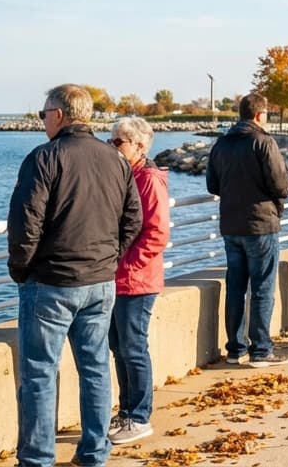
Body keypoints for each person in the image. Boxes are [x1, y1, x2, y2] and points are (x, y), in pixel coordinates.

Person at [7, 84, 142, 467]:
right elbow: (133, 218)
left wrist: (22, 268)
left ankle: (37, 459)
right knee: (96, 368)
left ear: (60, 115)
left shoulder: (45, 157)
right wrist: (110, 258)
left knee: (38, 375)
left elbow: (24, 222)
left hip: (51, 283)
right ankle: (95, 453)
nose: (41, 121)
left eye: (43, 114)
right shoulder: (114, 159)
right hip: (99, 283)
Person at [206, 92, 288, 366]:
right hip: (261, 225)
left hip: (231, 225)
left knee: (236, 286)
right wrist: (275, 204)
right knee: (263, 287)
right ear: (259, 115)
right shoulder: (263, 142)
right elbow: (280, 184)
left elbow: (212, 185)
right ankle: (261, 349)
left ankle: (235, 348)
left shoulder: (221, 145)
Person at [107, 116, 170, 446]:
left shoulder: (148, 179)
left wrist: (124, 264)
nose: (112, 146)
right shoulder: (125, 175)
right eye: (112, 140)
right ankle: (127, 409)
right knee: (118, 347)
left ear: (140, 146)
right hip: (119, 278)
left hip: (137, 280)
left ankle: (140, 415)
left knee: (133, 348)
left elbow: (157, 233)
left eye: (119, 142)